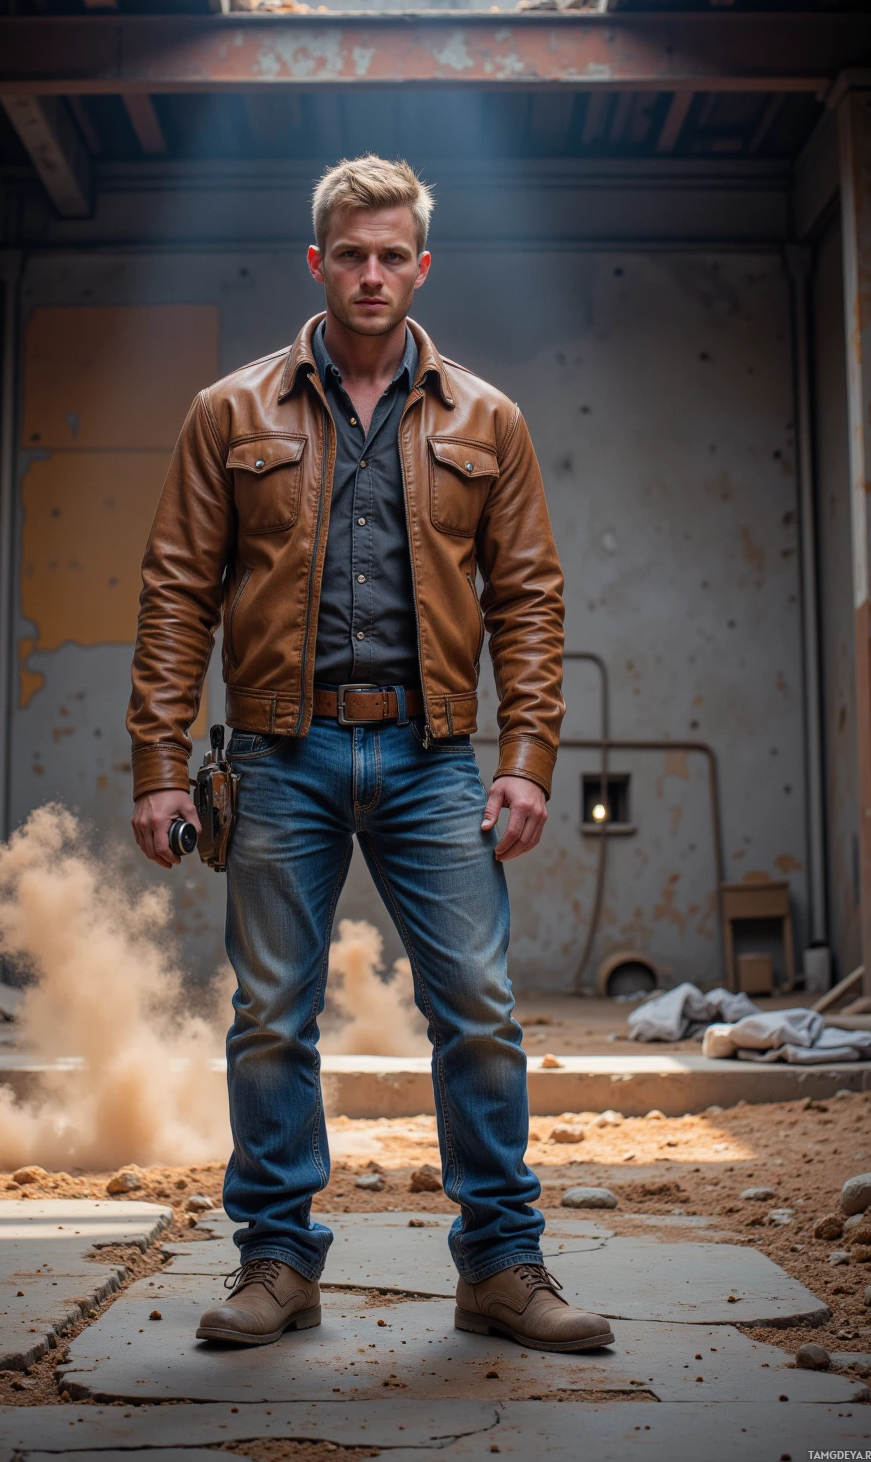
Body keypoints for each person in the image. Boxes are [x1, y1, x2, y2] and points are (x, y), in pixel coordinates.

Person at [128, 154, 613, 1355]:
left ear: (421, 266)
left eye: (393, 253)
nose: (372, 274)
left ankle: (502, 1266)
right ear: (317, 263)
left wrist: (527, 755)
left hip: (435, 754)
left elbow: (532, 600)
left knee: (481, 1014)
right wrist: (157, 760)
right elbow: (176, 591)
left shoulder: (485, 418)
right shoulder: (228, 413)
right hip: (278, 757)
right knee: (271, 1021)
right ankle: (278, 1265)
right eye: (350, 253)